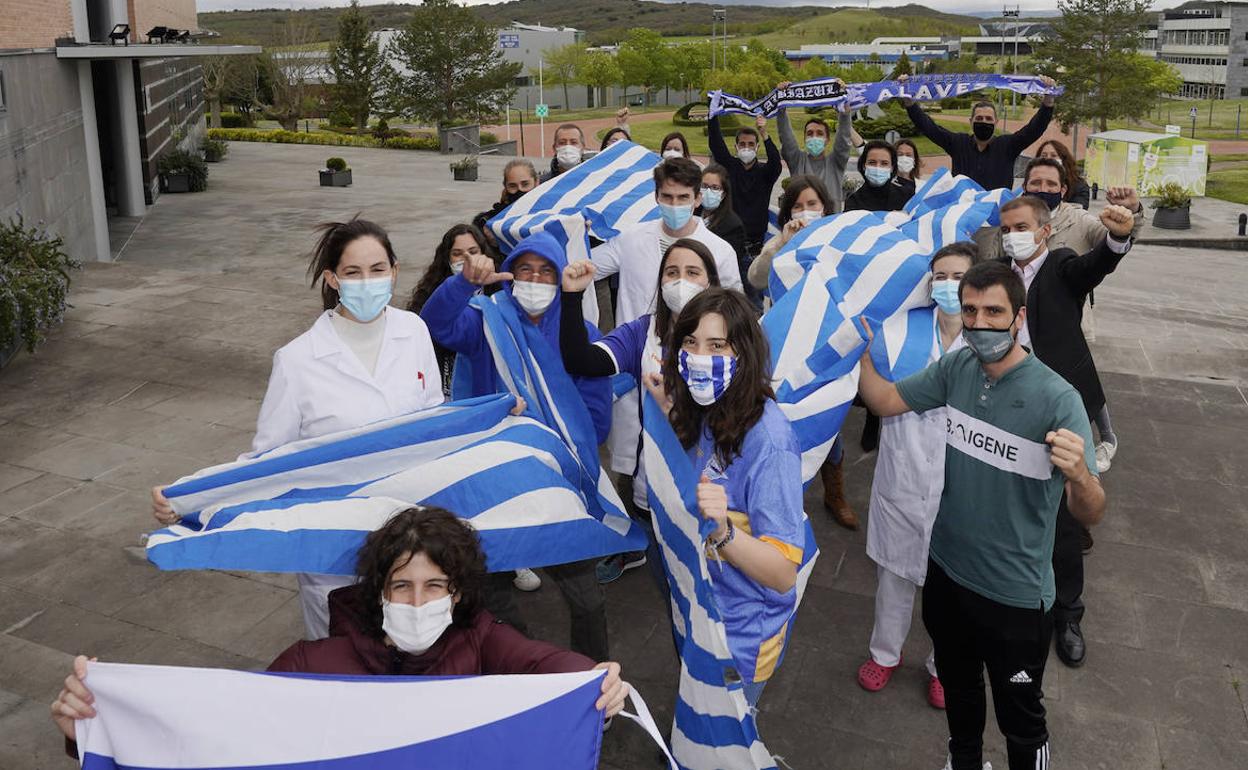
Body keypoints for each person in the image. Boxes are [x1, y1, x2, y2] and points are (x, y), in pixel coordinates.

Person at [52, 507, 631, 752]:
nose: (417, 601)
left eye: (435, 587)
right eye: (401, 586)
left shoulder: (482, 640)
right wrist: (95, 726)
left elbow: (547, 666)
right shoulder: (311, 663)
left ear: (458, 594)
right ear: (377, 593)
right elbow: (216, 730)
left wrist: (597, 682)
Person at [857, 260, 1106, 770]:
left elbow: (1093, 510)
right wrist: (856, 350)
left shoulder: (1057, 398)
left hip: (1015, 596)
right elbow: (884, 400)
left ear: (1017, 318)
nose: (979, 322)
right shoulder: (957, 369)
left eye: (993, 311)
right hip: (947, 576)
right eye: (970, 310)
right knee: (961, 695)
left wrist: (1080, 475)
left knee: (1022, 720)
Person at [151, 218, 444, 641]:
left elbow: (436, 421)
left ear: (395, 271)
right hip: (335, 541)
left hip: (411, 533)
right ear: (332, 279)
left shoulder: (413, 331)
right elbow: (268, 461)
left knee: (415, 648)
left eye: (378, 270)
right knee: (344, 657)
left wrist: (496, 416)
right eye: (353, 272)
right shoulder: (298, 360)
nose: (368, 282)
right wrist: (191, 496)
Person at [420, 230, 613, 662]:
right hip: (496, 483)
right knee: (494, 595)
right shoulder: (486, 320)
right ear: (508, 275)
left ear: (559, 278)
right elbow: (436, 323)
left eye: (546, 272)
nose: (534, 280)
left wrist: (552, 445)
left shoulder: (578, 332)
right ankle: (517, 667)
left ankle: (591, 675)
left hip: (555, 484)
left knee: (587, 600)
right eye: (524, 269)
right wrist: (463, 283)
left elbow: (596, 418)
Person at [642, 288, 805, 708]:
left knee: (726, 735)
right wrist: (668, 416)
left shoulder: (770, 441)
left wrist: (725, 531)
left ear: (744, 354)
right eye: (690, 343)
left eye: (717, 345)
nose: (699, 357)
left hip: (740, 634)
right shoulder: (699, 409)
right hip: (698, 609)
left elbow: (785, 573)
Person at [993, 194, 1135, 670]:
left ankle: (1068, 615)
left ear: (1043, 230)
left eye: (1021, 226)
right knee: (1011, 500)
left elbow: (1094, 267)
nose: (1012, 234)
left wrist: (1117, 237)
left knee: (1065, 515)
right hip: (1008, 406)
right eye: (1005, 227)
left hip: (1058, 403)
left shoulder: (1061, 265)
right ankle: (1013, 595)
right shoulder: (997, 274)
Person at [559, 240, 722, 585]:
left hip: (713, 485)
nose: (681, 282)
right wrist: (572, 297)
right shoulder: (642, 333)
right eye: (672, 273)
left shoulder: (734, 332)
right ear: (660, 283)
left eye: (692, 273)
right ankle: (638, 553)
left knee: (706, 579)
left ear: (710, 281)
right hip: (652, 481)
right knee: (668, 578)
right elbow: (582, 360)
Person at [857, 242, 975, 711]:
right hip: (902, 476)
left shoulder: (987, 336)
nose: (947, 285)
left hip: (961, 487)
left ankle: (943, 666)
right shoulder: (901, 331)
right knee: (894, 577)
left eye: (957, 276)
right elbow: (876, 388)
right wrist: (865, 355)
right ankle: (884, 654)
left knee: (954, 587)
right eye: (939, 276)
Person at [407, 224, 541, 595]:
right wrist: (462, 284)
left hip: (494, 409)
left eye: (473, 252)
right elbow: (437, 324)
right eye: (457, 254)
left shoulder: (501, 304)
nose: (467, 261)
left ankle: (515, 558)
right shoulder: (437, 300)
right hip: (449, 406)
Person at [590, 157, 742, 325]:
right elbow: (583, 266)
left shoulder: (721, 251)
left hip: (691, 346)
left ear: (697, 199)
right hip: (635, 347)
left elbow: (733, 309)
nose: (674, 204)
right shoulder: (630, 238)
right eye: (667, 197)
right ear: (657, 197)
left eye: (683, 197)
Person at [899, 74, 1057, 191]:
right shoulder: (958, 143)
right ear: (971, 121)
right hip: (963, 214)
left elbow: (1033, 130)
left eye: (988, 119)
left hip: (996, 217)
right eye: (979, 118)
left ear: (996, 123)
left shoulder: (1008, 145)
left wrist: (1048, 102)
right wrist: (909, 102)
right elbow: (929, 128)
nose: (984, 122)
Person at [707, 113, 784, 254]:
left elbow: (775, 163)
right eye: (742, 144)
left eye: (751, 144)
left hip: (756, 243)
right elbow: (716, 144)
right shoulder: (730, 167)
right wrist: (713, 116)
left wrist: (764, 133)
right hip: (729, 238)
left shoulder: (765, 173)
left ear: (757, 147)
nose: (746, 148)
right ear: (736, 147)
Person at [775, 80, 856, 212]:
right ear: (805, 138)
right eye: (810, 133)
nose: (814, 137)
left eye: (819, 134)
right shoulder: (797, 160)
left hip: (830, 224)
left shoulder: (836, 162)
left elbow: (843, 139)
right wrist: (781, 105)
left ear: (827, 139)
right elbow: (785, 136)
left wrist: (845, 113)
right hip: (802, 221)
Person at [745, 174, 834, 293]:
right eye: (797, 206)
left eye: (812, 204)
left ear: (824, 207)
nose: (805, 211)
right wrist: (782, 245)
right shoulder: (779, 241)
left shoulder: (837, 236)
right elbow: (756, 279)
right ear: (789, 211)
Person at [698, 164, 749, 275]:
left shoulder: (733, 226)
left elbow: (729, 265)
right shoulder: (691, 214)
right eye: (704, 186)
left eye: (715, 188)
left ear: (723, 194)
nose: (708, 191)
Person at [473, 159, 540, 236]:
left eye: (525, 184)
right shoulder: (489, 220)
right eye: (512, 186)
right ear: (505, 186)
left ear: (536, 182)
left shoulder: (550, 210)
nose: (520, 190)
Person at [845, 140, 912, 213]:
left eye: (884, 163)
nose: (878, 167)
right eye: (872, 162)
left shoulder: (907, 196)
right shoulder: (853, 201)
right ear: (864, 166)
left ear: (892, 167)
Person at [1035, 140, 1090, 209]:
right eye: (1044, 155)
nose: (1048, 159)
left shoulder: (1079, 186)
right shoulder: (1031, 183)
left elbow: (1078, 211)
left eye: (1053, 155)